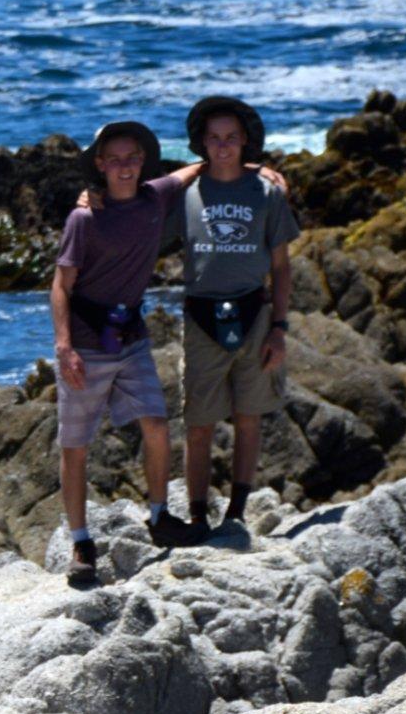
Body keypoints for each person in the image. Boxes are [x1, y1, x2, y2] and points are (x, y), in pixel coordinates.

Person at [52, 121, 197, 585]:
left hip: (131, 337)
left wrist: (258, 168)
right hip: (87, 344)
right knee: (75, 448)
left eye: (131, 158)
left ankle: (158, 517)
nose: (123, 167)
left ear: (143, 160)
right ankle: (81, 542)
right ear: (99, 165)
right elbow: (60, 286)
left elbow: (192, 171)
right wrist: (64, 347)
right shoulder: (84, 218)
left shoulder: (155, 197)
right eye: (113, 160)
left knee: (156, 425)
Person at [172, 95, 299, 538]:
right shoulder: (184, 194)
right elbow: (138, 203)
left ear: (245, 140)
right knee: (198, 423)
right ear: (202, 143)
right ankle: (195, 515)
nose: (223, 146)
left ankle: (238, 510)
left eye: (231, 138)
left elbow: (282, 266)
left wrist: (279, 329)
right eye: (214, 139)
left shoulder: (267, 193)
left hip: (255, 312)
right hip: (200, 315)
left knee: (249, 416)